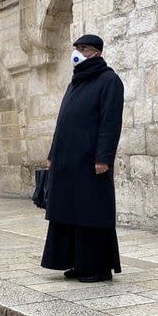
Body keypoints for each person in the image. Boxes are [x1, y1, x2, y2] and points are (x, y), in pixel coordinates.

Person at [41, 34, 124, 282]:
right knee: (69, 210)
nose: (77, 53)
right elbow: (62, 122)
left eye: (84, 48)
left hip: (91, 162)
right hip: (67, 161)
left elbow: (111, 122)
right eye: (76, 48)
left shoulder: (109, 80)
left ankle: (96, 267)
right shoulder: (75, 83)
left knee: (91, 211)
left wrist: (104, 158)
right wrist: (52, 154)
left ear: (96, 52)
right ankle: (76, 262)